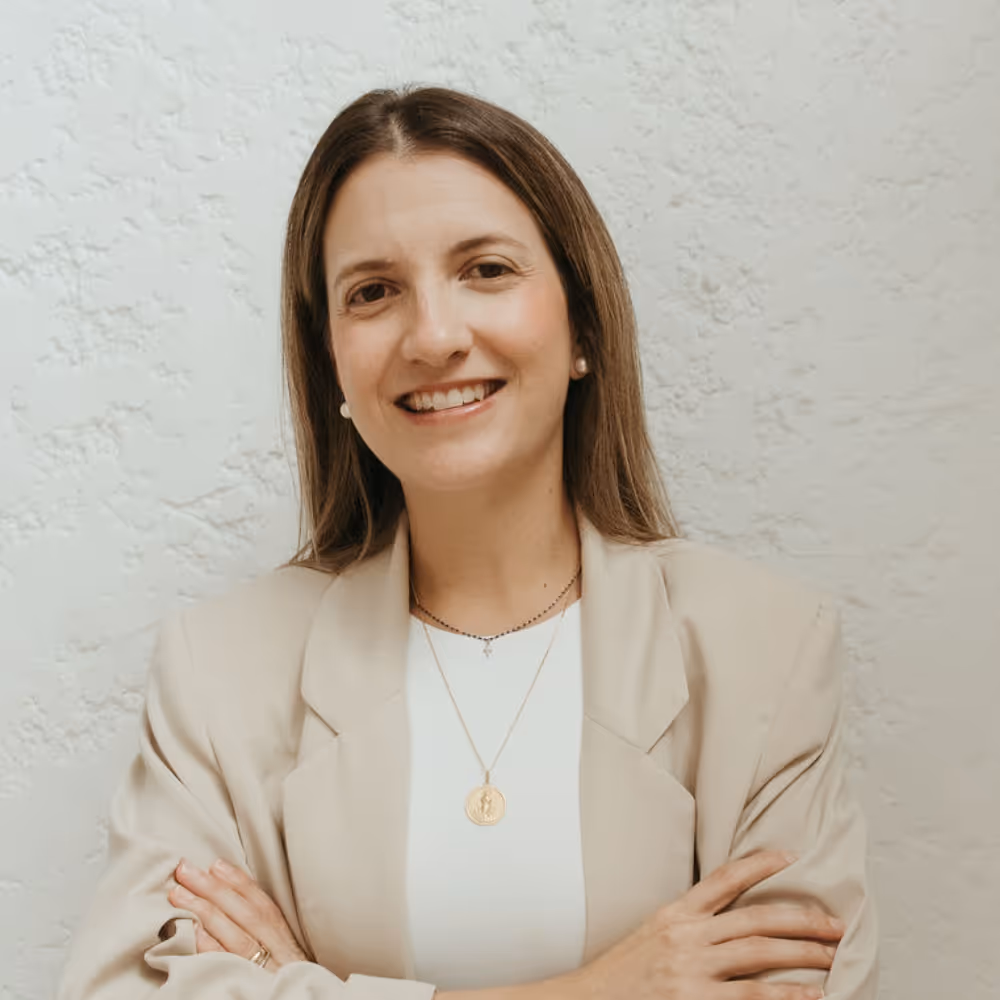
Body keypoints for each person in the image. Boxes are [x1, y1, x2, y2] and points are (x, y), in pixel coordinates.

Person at [57, 85, 878, 1000]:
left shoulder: (763, 646)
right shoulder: (218, 670)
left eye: (486, 270)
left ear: (582, 328)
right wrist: (600, 990)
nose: (435, 335)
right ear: (330, 356)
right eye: (373, 292)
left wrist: (293, 983)